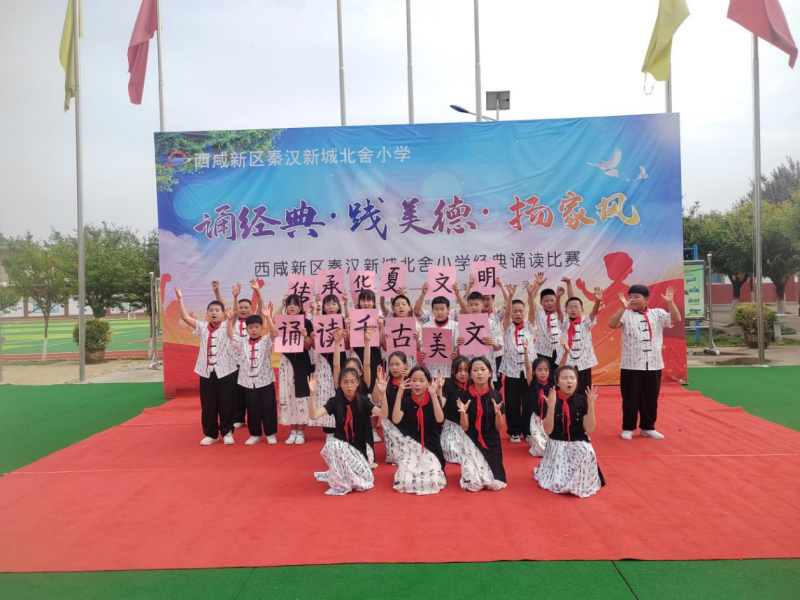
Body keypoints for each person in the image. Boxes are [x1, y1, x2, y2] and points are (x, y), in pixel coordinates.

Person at [608, 284, 680, 440]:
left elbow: (676, 319)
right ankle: (628, 427)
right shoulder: (625, 315)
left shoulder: (657, 313)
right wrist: (622, 307)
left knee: (650, 398)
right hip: (631, 365)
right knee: (630, 398)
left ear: (646, 299)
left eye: (636, 297)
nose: (633, 300)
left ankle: (648, 427)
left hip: (653, 364)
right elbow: (612, 324)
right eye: (630, 297)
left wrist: (670, 302)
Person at [307, 368, 389, 495]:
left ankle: (347, 476)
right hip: (341, 446)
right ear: (339, 384)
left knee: (365, 479)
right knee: (333, 444)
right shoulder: (334, 402)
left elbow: (384, 414)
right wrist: (312, 394)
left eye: (352, 382)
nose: (349, 386)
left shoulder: (364, 402)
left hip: (359, 449)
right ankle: (341, 480)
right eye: (345, 382)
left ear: (358, 383)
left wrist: (383, 394)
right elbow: (314, 415)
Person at [175, 285, 238, 446]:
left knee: (227, 403)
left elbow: (235, 315)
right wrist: (180, 298)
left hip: (226, 371)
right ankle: (211, 434)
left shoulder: (228, 325)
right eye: (211, 310)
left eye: (217, 310)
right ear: (207, 313)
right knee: (209, 404)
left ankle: (227, 432)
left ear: (223, 314)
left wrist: (235, 298)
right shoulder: (202, 327)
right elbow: (185, 318)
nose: (214, 313)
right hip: (207, 371)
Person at [534, 366, 605, 498]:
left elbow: (589, 429)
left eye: (572, 378)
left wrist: (591, 405)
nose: (569, 381)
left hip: (577, 440)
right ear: (557, 382)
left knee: (587, 452)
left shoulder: (582, 400)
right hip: (557, 442)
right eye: (565, 378)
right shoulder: (551, 399)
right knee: (558, 480)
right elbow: (548, 430)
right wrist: (551, 407)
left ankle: (578, 484)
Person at [214, 279, 264, 429]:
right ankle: (239, 418)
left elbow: (261, 306)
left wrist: (257, 291)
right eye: (241, 307)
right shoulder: (233, 320)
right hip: (234, 362)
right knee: (237, 391)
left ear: (251, 309)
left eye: (246, 307)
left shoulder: (253, 321)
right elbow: (225, 307)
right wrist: (218, 292)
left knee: (253, 391)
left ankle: (256, 417)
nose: (243, 310)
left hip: (251, 362)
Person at [225, 304, 278, 445]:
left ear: (261, 328)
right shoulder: (242, 342)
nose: (254, 330)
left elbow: (274, 333)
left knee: (268, 407)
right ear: (246, 329)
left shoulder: (266, 340)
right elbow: (230, 335)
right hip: (248, 381)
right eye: (251, 327)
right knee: (252, 408)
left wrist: (268, 317)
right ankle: (255, 434)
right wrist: (230, 320)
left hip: (265, 380)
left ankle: (270, 433)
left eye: (257, 327)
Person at [392, 366, 447, 495]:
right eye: (414, 380)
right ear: (408, 382)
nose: (417, 384)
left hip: (431, 445)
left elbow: (440, 419)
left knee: (433, 481)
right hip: (411, 445)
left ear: (428, 383)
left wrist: (433, 394)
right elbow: (396, 419)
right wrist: (399, 395)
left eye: (422, 381)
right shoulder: (405, 401)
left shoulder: (434, 399)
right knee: (404, 481)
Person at [456, 357, 507, 492]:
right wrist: (463, 413)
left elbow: (499, 427)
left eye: (483, 370)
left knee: (495, 484)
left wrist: (497, 413)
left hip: (491, 441)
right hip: (471, 440)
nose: (479, 373)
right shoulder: (464, 396)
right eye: (475, 370)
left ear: (490, 373)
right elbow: (465, 427)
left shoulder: (496, 396)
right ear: (470, 375)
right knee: (473, 485)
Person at [499, 284, 535, 444]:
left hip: (528, 371)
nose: (518, 313)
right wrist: (511, 297)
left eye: (521, 311)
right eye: (515, 311)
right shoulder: (507, 326)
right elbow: (506, 313)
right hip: (512, 371)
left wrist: (530, 294)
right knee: (512, 402)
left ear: (524, 312)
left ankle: (527, 430)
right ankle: (514, 431)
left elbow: (533, 310)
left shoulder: (529, 326)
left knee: (529, 402)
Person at [276, 294, 315, 445]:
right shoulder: (282, 321)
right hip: (286, 361)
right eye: (289, 304)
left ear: (300, 307)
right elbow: (273, 320)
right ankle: (292, 431)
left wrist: (304, 336)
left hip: (302, 362)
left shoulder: (306, 322)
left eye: (296, 304)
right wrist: (281, 305)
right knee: (288, 395)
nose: (292, 307)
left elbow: (309, 347)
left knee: (302, 395)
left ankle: (301, 431)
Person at [308, 293, 346, 437]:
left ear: (338, 306)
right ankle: (328, 430)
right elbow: (314, 345)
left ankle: (341, 426)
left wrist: (346, 333)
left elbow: (348, 344)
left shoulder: (342, 321)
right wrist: (312, 338)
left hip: (340, 358)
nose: (331, 307)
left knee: (340, 392)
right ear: (323, 307)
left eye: (334, 304)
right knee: (325, 392)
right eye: (328, 304)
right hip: (323, 361)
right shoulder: (318, 321)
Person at [349, 289, 384, 443]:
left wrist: (381, 327)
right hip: (357, 355)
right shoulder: (353, 317)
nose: (366, 303)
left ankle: (374, 428)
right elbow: (349, 343)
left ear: (374, 302)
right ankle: (360, 426)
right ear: (358, 302)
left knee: (373, 390)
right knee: (359, 389)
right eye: (363, 300)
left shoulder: (378, 318)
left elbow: (381, 344)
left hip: (374, 355)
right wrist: (348, 326)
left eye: (369, 300)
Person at [559, 286, 602, 396]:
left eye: (576, 307)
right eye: (570, 307)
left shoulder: (585, 322)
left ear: (582, 310)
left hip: (584, 361)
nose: (573, 309)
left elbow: (594, 313)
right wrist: (558, 297)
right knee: (568, 388)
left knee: (584, 389)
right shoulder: (564, 323)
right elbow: (559, 312)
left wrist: (598, 301)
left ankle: (585, 407)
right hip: (568, 361)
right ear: (566, 310)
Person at [456, 292, 503, 382]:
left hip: (486, 365)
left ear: (483, 305)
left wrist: (492, 342)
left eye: (476, 304)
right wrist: (458, 345)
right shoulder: (461, 324)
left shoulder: (491, 324)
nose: (474, 307)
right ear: (467, 306)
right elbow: (457, 353)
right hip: (468, 366)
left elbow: (499, 347)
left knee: (487, 389)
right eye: (471, 305)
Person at [526, 272, 566, 379]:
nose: (550, 303)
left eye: (552, 300)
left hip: (559, 350)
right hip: (542, 351)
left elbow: (571, 300)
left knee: (558, 376)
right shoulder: (539, 312)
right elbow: (530, 301)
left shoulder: (560, 311)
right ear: (541, 302)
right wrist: (538, 285)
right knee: (543, 377)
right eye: (546, 301)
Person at [415, 290, 460, 381]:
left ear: (448, 310)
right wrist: (422, 353)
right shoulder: (426, 326)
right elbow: (422, 348)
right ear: (432, 310)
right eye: (436, 309)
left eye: (442, 309)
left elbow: (457, 347)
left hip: (449, 371)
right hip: (430, 371)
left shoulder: (456, 326)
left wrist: (456, 353)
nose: (439, 312)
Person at [523, 345, 555, 458]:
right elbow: (527, 367)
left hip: (550, 417)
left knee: (551, 447)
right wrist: (526, 351)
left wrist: (566, 352)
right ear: (534, 372)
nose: (543, 373)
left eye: (546, 370)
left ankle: (537, 440)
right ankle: (535, 440)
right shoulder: (532, 383)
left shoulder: (552, 383)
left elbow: (561, 367)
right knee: (540, 451)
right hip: (537, 418)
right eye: (539, 370)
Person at [382, 350, 409, 464]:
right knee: (398, 458)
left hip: (409, 422)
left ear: (405, 365)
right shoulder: (386, 383)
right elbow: (375, 399)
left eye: (397, 364)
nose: (394, 368)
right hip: (391, 424)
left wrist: (411, 374)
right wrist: (380, 389)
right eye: (391, 365)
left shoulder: (412, 381)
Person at [441, 356, 469, 464]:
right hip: (452, 425)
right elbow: (441, 403)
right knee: (452, 452)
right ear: (452, 371)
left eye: (466, 370)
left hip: (468, 425)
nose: (463, 374)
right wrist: (438, 390)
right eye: (459, 370)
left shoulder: (473, 384)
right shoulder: (447, 385)